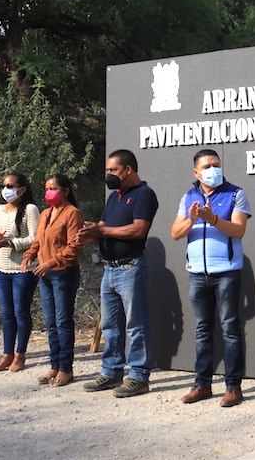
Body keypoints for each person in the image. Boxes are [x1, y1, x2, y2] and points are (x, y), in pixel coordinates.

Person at [171, 149, 251, 407]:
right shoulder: (189, 196)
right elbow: (175, 233)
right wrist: (192, 219)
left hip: (226, 272)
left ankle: (233, 387)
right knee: (202, 330)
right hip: (197, 273)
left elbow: (238, 230)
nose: (213, 169)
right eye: (207, 166)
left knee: (230, 329)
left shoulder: (235, 193)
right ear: (196, 172)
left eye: (216, 164)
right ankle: (202, 384)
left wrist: (213, 219)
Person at [79, 149, 158, 398]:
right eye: (107, 170)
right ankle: (111, 371)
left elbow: (138, 230)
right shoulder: (114, 197)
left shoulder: (144, 194)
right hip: (109, 269)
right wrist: (92, 231)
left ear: (128, 169)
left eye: (113, 170)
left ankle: (138, 376)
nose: (109, 175)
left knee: (135, 324)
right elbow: (105, 226)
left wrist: (103, 232)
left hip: (130, 267)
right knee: (111, 325)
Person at [21, 174, 83, 388]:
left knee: (63, 320)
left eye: (53, 188)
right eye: (46, 188)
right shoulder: (46, 213)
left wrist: (51, 263)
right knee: (51, 322)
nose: (49, 192)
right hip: (44, 273)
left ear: (65, 191)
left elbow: (74, 247)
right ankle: (54, 365)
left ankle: (66, 368)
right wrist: (30, 255)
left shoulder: (73, 213)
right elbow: (38, 241)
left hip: (63, 273)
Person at [0, 172, 40, 373]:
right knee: (7, 314)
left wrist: (11, 242)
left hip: (23, 269)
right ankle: (7, 354)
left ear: (22, 189)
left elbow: (36, 239)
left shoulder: (30, 209)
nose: (6, 190)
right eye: (4, 185)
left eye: (10, 186)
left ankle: (20, 354)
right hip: (1, 267)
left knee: (20, 312)